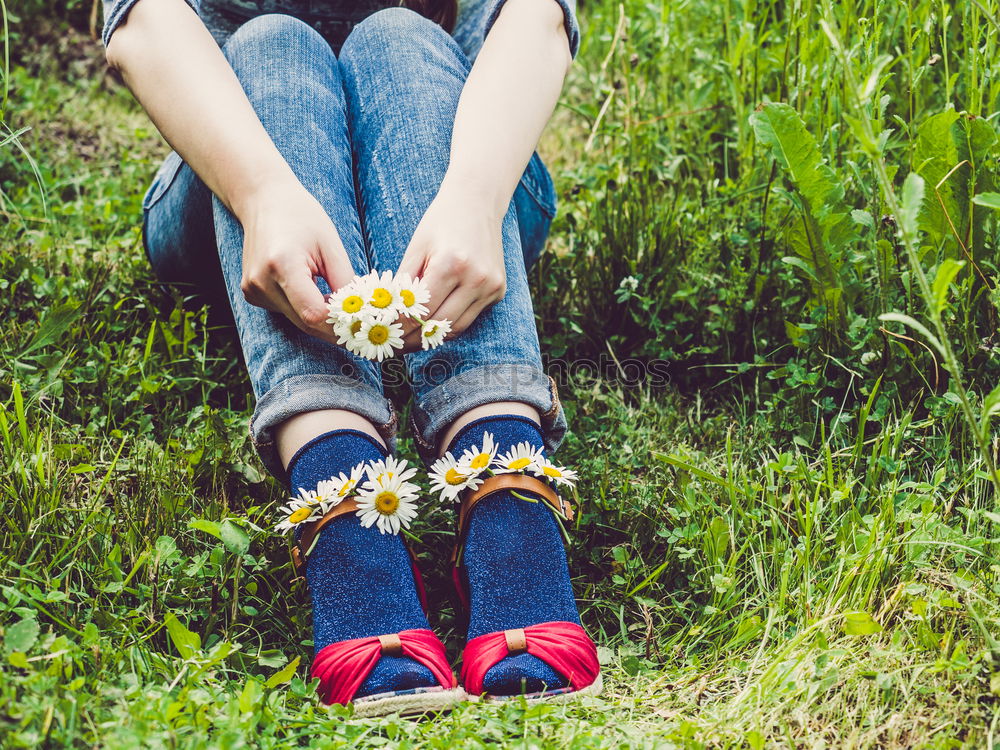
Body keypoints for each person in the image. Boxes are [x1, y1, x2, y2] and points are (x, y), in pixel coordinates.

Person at [102, 0, 601, 715]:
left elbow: (538, 16)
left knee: (401, 36)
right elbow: (141, 22)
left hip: (459, 171)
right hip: (233, 184)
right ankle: (339, 483)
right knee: (271, 44)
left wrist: (474, 193)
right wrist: (261, 193)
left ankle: (506, 490)